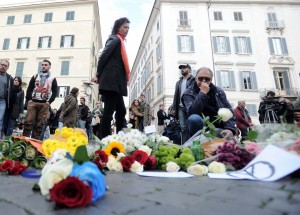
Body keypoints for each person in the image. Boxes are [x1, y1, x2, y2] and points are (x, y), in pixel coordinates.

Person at [92, 17, 130, 138]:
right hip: (111, 82)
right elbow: (104, 55)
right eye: (125, 27)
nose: (127, 29)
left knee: (121, 111)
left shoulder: (120, 41)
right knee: (109, 111)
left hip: (116, 83)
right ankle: (105, 139)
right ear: (118, 27)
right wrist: (98, 74)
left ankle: (119, 138)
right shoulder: (114, 38)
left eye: (128, 27)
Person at [182, 67, 235, 139]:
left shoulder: (218, 91)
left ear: (211, 80)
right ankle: (199, 142)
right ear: (196, 79)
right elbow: (192, 112)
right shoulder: (188, 93)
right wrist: (202, 93)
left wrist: (230, 128)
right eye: (201, 78)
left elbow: (228, 111)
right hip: (200, 127)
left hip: (218, 128)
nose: (204, 81)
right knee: (194, 118)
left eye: (207, 79)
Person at [22, 59, 57, 139]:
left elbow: (55, 91)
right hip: (33, 102)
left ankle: (34, 143)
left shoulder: (52, 78)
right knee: (28, 122)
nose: (43, 66)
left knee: (40, 124)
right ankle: (24, 141)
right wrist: (29, 100)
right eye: (42, 65)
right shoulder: (35, 76)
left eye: (46, 65)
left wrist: (49, 102)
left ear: (49, 67)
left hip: (44, 104)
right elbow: (29, 88)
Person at [172, 64, 195, 143]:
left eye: (184, 68)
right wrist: (174, 108)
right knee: (182, 127)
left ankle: (192, 142)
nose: (182, 69)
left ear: (189, 69)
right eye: (181, 68)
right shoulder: (178, 82)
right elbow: (176, 96)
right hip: (180, 107)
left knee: (191, 124)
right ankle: (185, 144)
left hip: (190, 107)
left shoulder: (194, 80)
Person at [0, 59, 13, 138]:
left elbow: (10, 91)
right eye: (2, 64)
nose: (3, 67)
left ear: (8, 67)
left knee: (0, 120)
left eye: (5, 66)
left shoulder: (9, 78)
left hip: (2, 101)